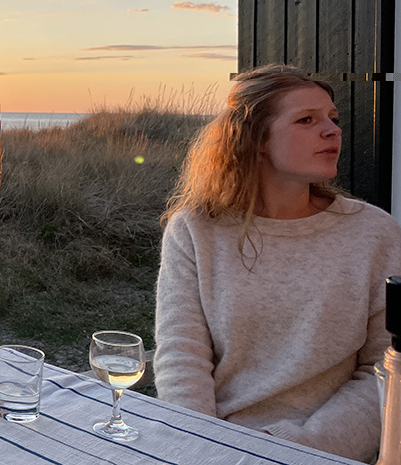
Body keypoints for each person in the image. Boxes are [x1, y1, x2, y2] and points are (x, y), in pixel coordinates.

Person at [154, 64, 401, 462]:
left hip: (328, 451)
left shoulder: (375, 233)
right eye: (306, 119)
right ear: (256, 140)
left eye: (333, 119)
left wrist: (299, 447)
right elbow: (181, 356)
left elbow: (386, 369)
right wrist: (204, 447)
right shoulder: (197, 230)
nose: (333, 131)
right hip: (213, 446)